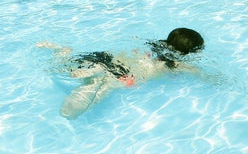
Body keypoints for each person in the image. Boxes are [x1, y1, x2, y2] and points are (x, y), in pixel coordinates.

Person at [39, 27, 205, 119]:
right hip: (118, 75)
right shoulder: (173, 64)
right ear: (188, 52)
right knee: (70, 112)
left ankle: (62, 51)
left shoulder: (151, 44)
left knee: (62, 68)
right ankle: (89, 72)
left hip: (104, 57)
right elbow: (198, 72)